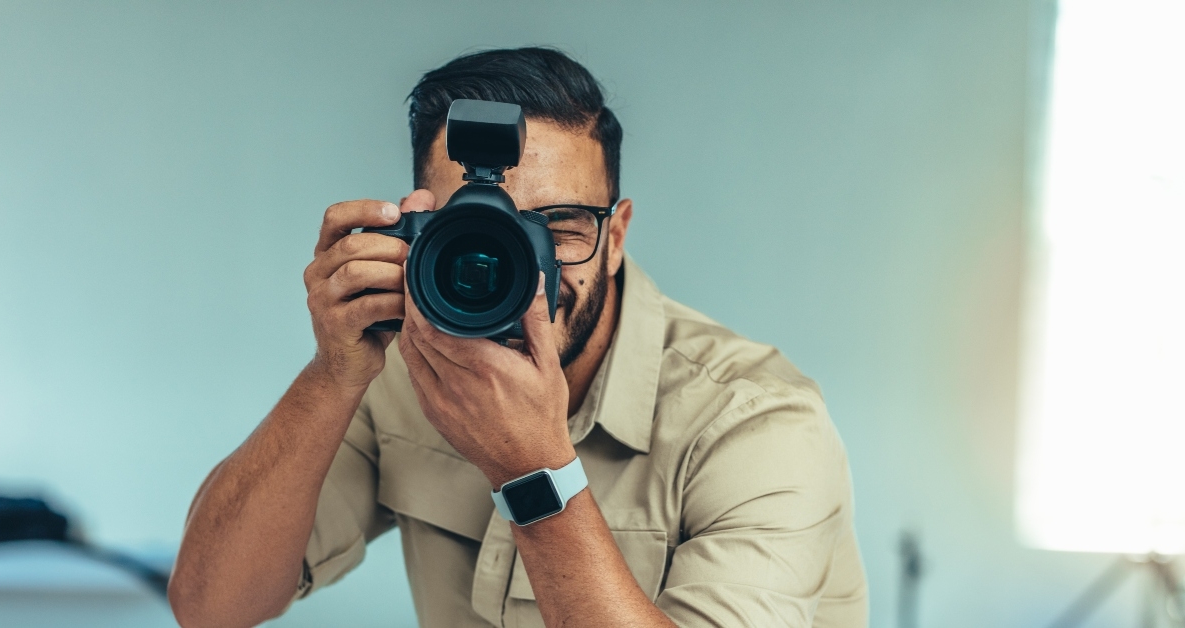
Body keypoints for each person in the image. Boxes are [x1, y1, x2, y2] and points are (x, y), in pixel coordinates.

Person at [167, 47, 867, 628]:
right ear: (416, 231)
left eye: (557, 226)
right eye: (481, 231)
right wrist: (332, 372)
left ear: (614, 236)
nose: (523, 269)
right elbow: (210, 606)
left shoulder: (756, 424)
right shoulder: (397, 369)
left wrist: (534, 472)